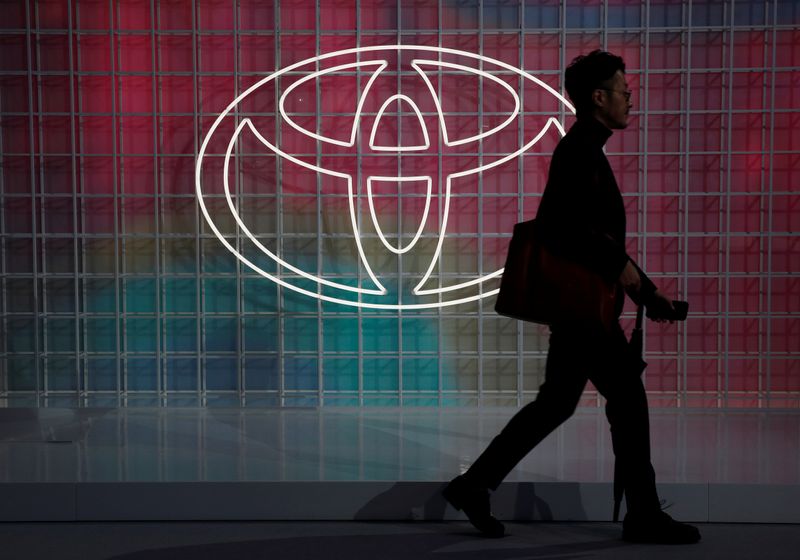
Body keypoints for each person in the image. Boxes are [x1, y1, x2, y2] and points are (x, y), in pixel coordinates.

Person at [442, 50, 700, 544]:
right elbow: (571, 233)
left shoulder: (584, 147)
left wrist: (646, 292)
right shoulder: (580, 149)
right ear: (599, 97)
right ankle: (642, 515)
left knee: (557, 403)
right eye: (625, 91)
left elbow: (594, 238)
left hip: (582, 309)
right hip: (586, 312)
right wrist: (638, 284)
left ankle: (474, 484)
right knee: (626, 399)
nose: (631, 99)